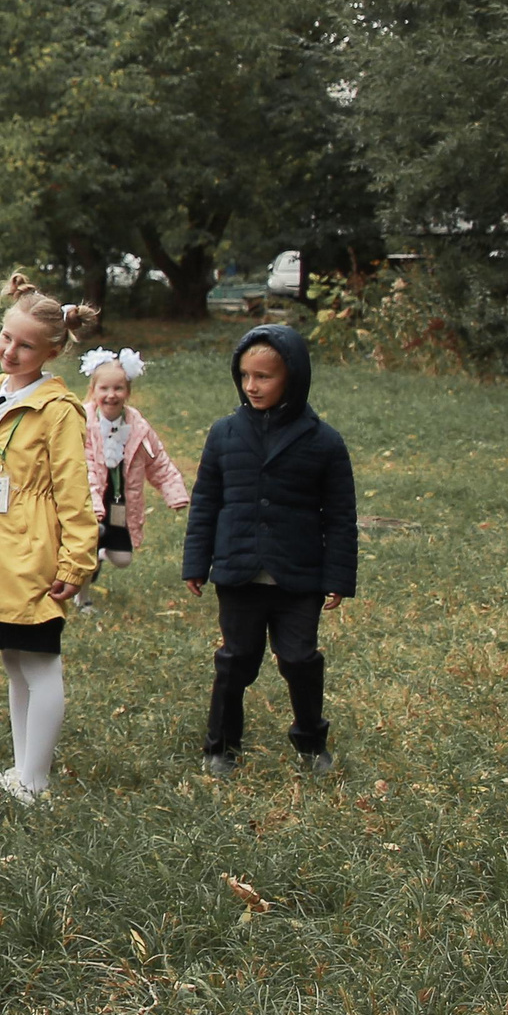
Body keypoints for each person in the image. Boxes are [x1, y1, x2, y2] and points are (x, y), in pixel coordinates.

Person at [181, 325, 357, 778]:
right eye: (244, 375)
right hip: (238, 571)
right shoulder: (224, 434)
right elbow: (206, 502)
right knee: (236, 660)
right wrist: (196, 562)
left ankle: (311, 742)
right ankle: (221, 746)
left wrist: (338, 577)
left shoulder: (324, 441)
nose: (252, 386)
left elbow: (340, 516)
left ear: (292, 378)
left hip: (299, 576)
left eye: (264, 376)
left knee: (299, 659)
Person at [0, 275, 99, 806]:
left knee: (39, 664)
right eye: (7, 338)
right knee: (15, 664)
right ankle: (22, 771)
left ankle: (35, 782)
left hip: (31, 553)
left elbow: (74, 490)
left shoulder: (58, 411)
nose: (11, 351)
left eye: (27, 346)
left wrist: (76, 560)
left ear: (52, 352)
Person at [78, 347, 189, 587]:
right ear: (93, 390)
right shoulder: (82, 423)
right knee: (85, 552)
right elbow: (79, 467)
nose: (111, 395)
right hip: (88, 500)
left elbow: (158, 461)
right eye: (104, 388)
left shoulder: (138, 427)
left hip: (119, 502)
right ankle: (82, 598)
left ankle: (102, 553)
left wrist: (175, 493)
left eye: (118, 388)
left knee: (123, 558)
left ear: (128, 392)